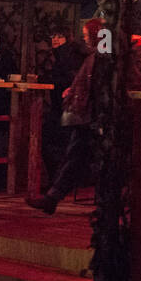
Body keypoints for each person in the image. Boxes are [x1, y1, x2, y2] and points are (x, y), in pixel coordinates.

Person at [27, 19, 105, 214]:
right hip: (87, 113)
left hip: (91, 114)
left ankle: (54, 196)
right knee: (75, 155)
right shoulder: (93, 55)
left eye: (88, 35)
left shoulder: (97, 57)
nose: (85, 38)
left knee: (77, 155)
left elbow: (94, 83)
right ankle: (53, 197)